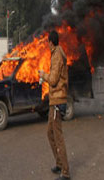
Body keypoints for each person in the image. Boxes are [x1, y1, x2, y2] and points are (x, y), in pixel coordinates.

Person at [39, 30, 70, 180]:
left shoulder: (57, 55)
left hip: (58, 101)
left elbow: (53, 79)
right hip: (54, 101)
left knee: (58, 136)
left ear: (51, 42)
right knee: (49, 133)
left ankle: (66, 172)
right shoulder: (56, 54)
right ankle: (59, 163)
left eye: (48, 42)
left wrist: (43, 75)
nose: (47, 45)